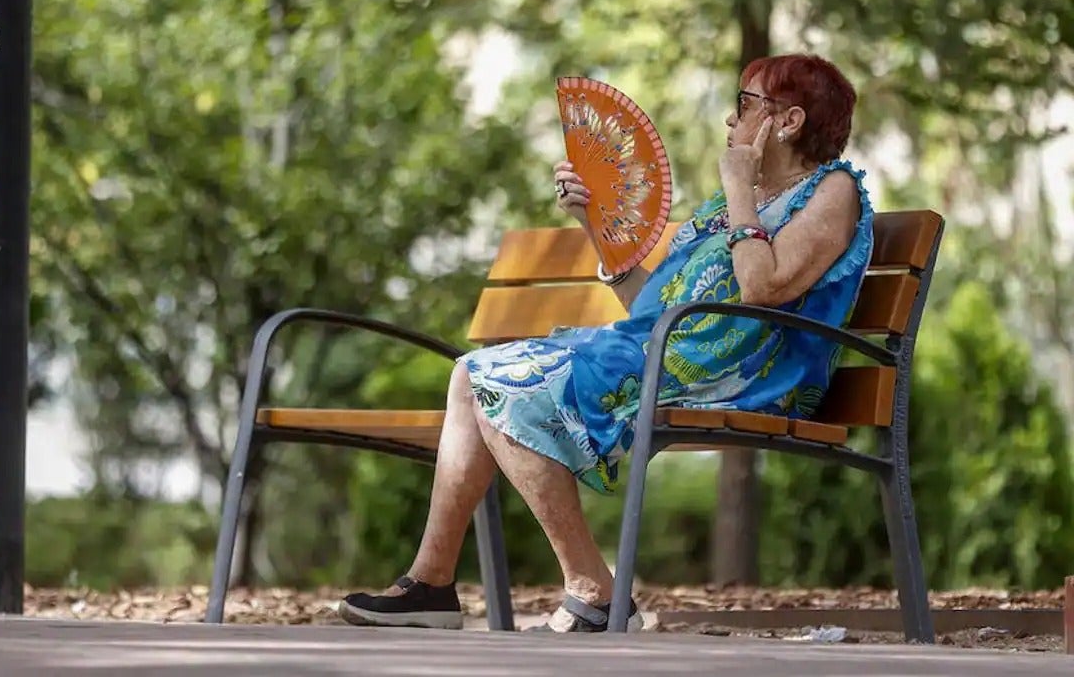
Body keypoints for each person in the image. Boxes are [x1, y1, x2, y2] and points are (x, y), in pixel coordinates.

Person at [337, 53, 872, 633]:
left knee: (495, 379)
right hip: (666, 355)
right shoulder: (727, 208)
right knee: (474, 374)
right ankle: (435, 584)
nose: (730, 119)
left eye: (745, 103)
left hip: (745, 380)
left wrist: (739, 185)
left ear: (787, 121)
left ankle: (587, 589)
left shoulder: (832, 191)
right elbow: (651, 311)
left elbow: (761, 286)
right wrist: (593, 224)